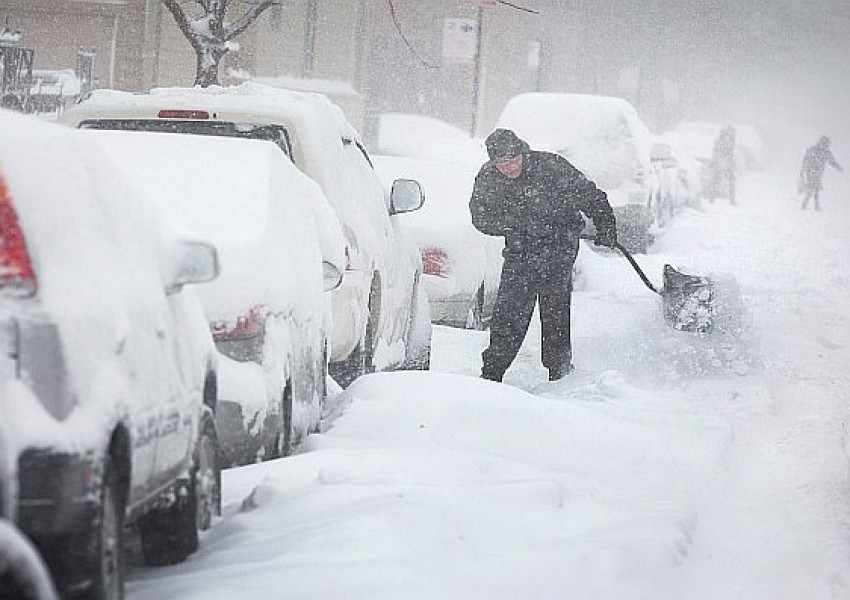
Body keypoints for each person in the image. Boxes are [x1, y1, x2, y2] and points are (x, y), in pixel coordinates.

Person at [469, 128, 617, 383]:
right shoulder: (488, 178)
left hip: (558, 246)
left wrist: (606, 225)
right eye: (502, 163)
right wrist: (512, 226)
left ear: (522, 153)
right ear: (493, 162)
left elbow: (590, 195)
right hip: (520, 250)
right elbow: (480, 216)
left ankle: (558, 369)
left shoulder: (551, 166)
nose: (509, 167)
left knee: (555, 308)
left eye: (513, 159)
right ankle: (492, 372)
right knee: (510, 311)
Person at [799, 135, 843, 211]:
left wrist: (838, 166)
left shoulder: (816, 150)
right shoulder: (822, 151)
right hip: (813, 171)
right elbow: (831, 161)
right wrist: (838, 166)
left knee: (814, 187)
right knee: (814, 187)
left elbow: (831, 161)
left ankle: (808, 203)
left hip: (814, 172)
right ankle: (811, 204)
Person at [707, 125, 737, 204]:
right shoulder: (722, 141)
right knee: (719, 181)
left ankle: (730, 199)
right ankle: (712, 198)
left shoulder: (730, 140)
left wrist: (730, 162)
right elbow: (718, 152)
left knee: (727, 181)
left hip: (725, 163)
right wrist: (720, 161)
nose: (732, 135)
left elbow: (729, 153)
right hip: (720, 163)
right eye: (731, 133)